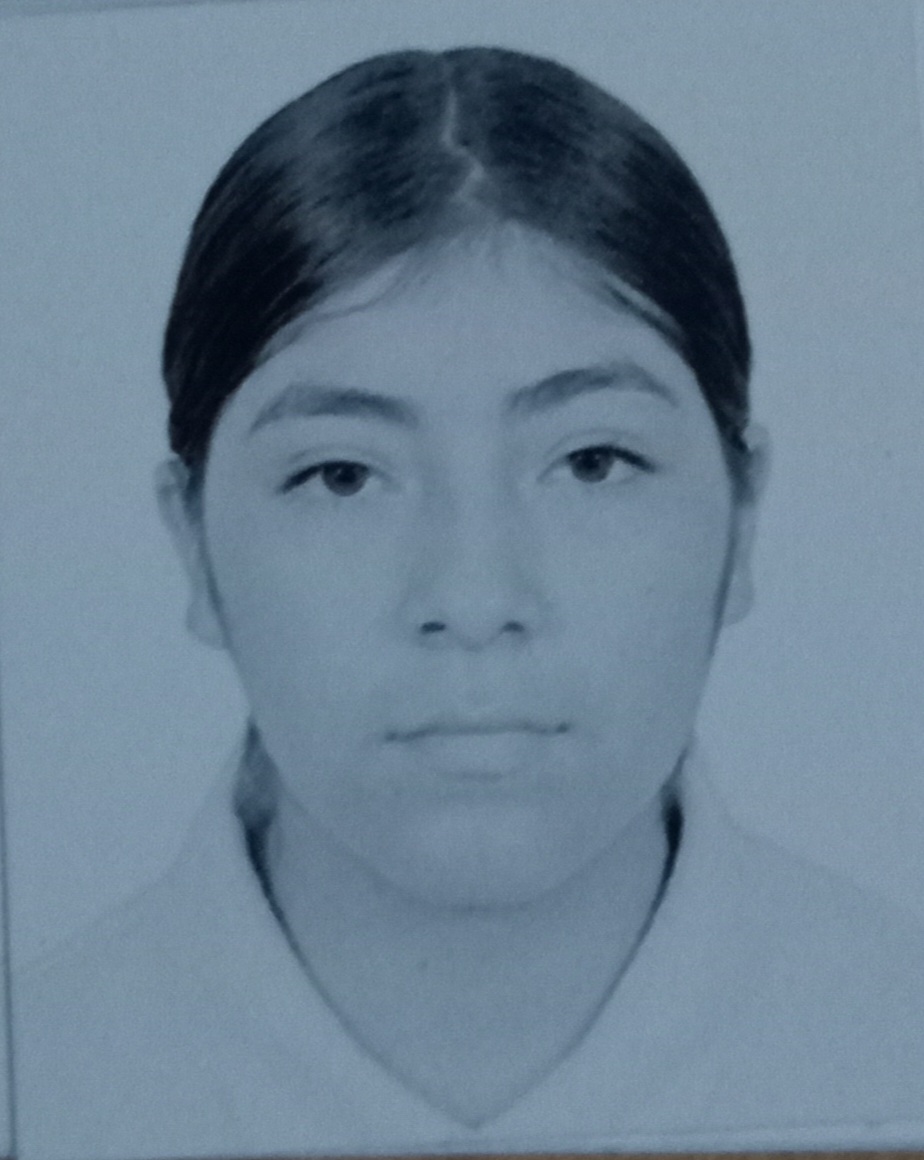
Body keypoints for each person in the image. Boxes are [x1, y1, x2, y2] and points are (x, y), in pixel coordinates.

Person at [15, 46, 924, 1160]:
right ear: (192, 544)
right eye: (342, 475)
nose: (476, 597)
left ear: (742, 520)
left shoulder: (897, 1033)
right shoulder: (44, 1073)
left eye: (591, 461)